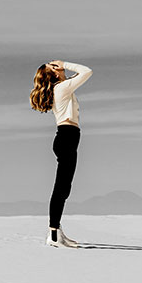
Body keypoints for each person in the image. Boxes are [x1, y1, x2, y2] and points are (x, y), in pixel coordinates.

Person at [29, 60, 94, 248]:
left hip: (67, 138)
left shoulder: (63, 87)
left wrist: (62, 69)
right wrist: (65, 63)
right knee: (61, 189)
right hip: (67, 138)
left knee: (64, 188)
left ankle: (57, 231)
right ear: (55, 74)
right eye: (54, 66)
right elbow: (87, 71)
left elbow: (79, 76)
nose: (58, 66)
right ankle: (54, 234)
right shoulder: (62, 88)